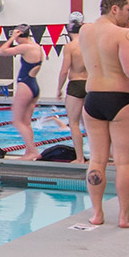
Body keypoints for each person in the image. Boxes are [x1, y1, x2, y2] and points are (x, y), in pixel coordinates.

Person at [76, 0, 129, 227]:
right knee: (124, 161)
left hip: (93, 98)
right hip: (120, 99)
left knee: (96, 160)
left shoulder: (85, 31)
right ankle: (124, 217)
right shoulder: (124, 34)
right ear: (115, 9)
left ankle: (97, 214)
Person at [4, 25, 46, 158]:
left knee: (17, 121)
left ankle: (32, 151)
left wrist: (11, 38)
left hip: (25, 85)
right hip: (34, 85)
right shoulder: (37, 47)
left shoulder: (25, 47)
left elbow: (2, 51)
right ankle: (29, 151)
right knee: (26, 122)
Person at [55, 27, 89, 161]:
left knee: (74, 123)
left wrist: (59, 88)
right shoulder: (90, 45)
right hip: (91, 85)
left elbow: (64, 71)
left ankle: (80, 158)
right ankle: (98, 157)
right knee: (91, 125)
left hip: (76, 84)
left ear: (69, 32)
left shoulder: (70, 47)